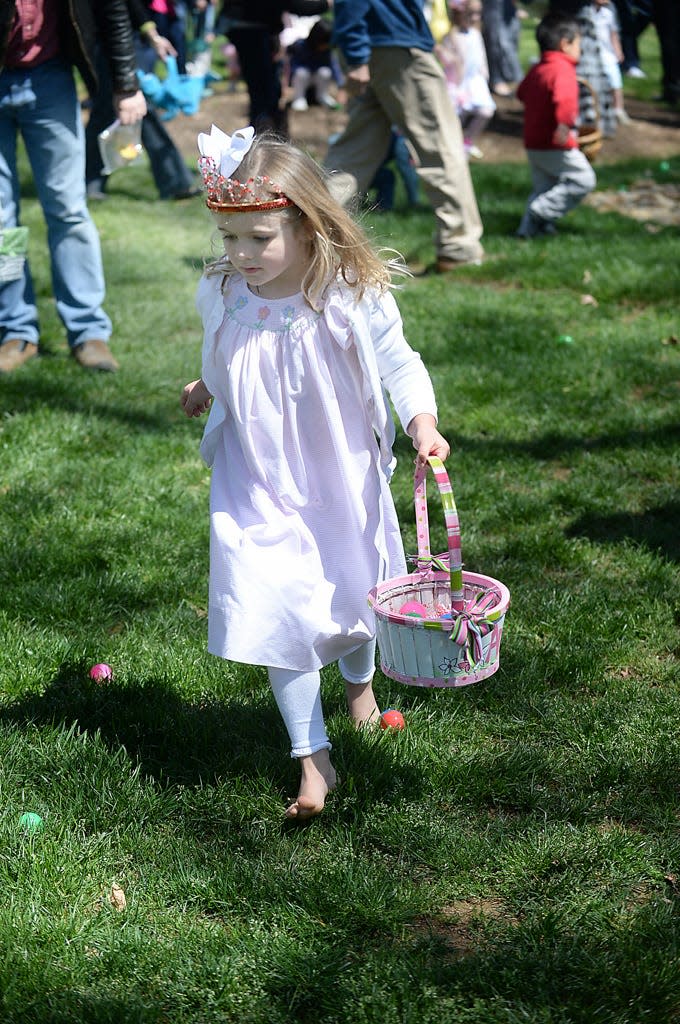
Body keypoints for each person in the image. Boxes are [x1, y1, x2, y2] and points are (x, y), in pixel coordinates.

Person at [180, 124, 450, 819]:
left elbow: (400, 363)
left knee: (352, 589)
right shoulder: (227, 293)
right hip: (256, 473)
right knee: (277, 604)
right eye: (228, 239)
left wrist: (421, 418)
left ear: (303, 224)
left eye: (258, 239)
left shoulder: (348, 295)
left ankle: (360, 690)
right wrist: (208, 386)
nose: (240, 255)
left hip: (340, 469)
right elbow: (225, 352)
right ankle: (312, 756)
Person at [0, 0, 147, 374]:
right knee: (2, 221)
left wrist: (126, 83)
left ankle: (87, 331)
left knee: (68, 209)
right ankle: (16, 327)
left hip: (50, 77)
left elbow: (111, 9)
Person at [324, 0, 484, 273]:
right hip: (392, 45)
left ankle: (305, 233)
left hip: (380, 42)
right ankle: (459, 248)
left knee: (354, 154)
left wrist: (357, 52)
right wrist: (356, 54)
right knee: (441, 148)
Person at [85, 6, 200, 201]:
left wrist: (151, 34)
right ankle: (174, 181)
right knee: (116, 111)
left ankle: (88, 182)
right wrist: (151, 34)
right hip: (109, 42)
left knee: (114, 112)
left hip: (126, 40)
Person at [515, 10, 596, 238]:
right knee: (584, 180)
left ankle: (528, 230)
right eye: (578, 43)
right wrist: (564, 124)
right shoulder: (563, 70)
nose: (579, 49)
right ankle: (539, 212)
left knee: (545, 188)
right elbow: (566, 100)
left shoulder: (538, 69)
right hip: (556, 142)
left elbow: (521, 93)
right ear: (565, 44)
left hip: (533, 142)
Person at [218, 1, 330, 135]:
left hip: (252, 29)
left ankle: (266, 136)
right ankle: (264, 140)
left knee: (264, 94)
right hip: (253, 32)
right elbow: (295, 5)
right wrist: (325, 4)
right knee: (264, 96)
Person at [437, 0, 496, 160]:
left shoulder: (476, 34)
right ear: (459, 13)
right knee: (457, 116)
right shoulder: (451, 36)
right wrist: (447, 55)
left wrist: (485, 74)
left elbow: (480, 55)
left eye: (478, 14)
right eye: (471, 14)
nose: (475, 18)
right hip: (457, 83)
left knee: (486, 111)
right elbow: (447, 60)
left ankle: (467, 140)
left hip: (475, 80)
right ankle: (453, 146)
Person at [288, 17, 342, 111]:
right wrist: (287, 83)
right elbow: (291, 66)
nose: (326, 46)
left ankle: (322, 96)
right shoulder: (300, 46)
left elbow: (334, 66)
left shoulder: (327, 51)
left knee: (325, 72)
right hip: (303, 79)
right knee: (301, 73)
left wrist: (341, 85)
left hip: (317, 78)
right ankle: (299, 98)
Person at [593, 0, 631, 124]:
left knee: (615, 83)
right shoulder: (586, 12)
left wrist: (618, 51)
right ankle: (597, 111)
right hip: (592, 55)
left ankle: (618, 109)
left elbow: (613, 33)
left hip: (608, 55)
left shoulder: (609, 12)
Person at [480, 0, 522, 96]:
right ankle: (496, 79)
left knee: (510, 42)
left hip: (508, 9)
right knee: (496, 41)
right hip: (494, 8)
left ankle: (510, 77)